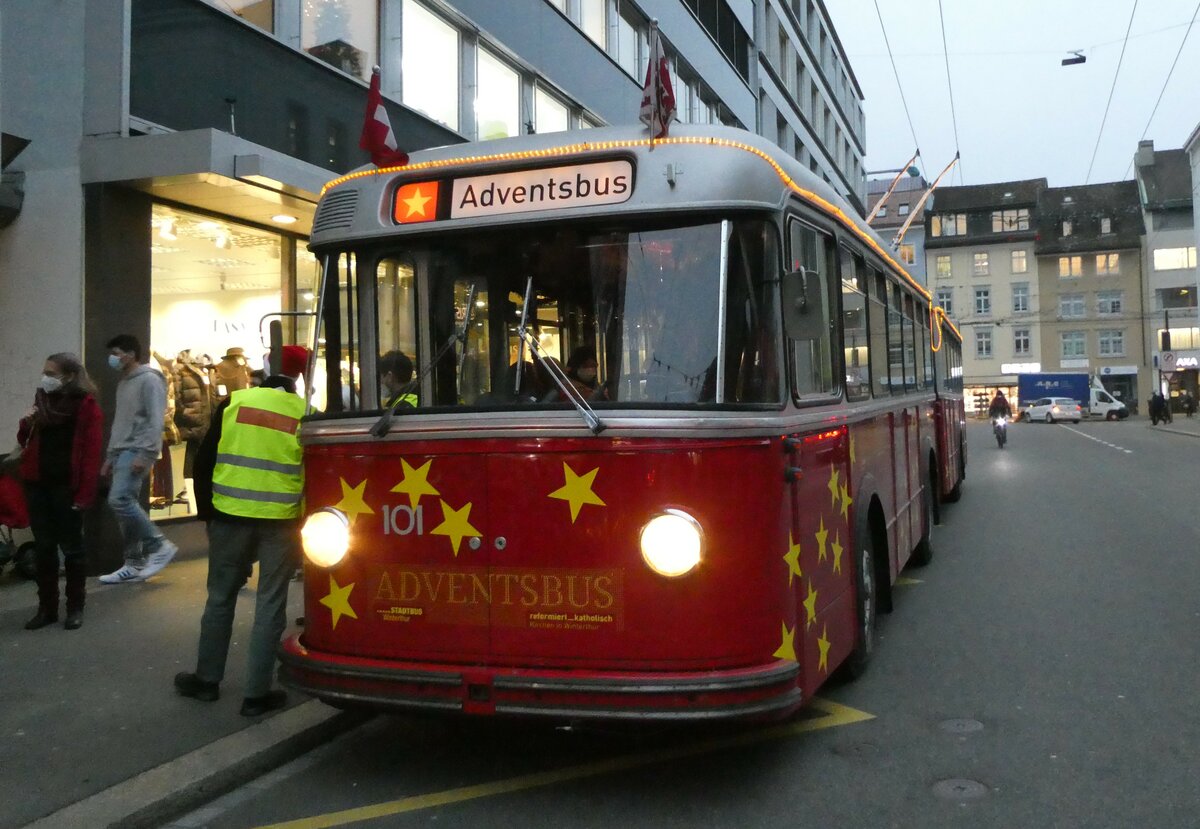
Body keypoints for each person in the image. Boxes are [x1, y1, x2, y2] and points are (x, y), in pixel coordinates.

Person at [174, 374, 305, 717]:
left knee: (220, 598)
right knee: (270, 605)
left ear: (262, 387)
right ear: (291, 390)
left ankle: (206, 682)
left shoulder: (235, 401)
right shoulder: (305, 411)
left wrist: (207, 516)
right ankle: (256, 695)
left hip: (229, 516)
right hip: (280, 520)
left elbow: (204, 461)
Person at [15, 353, 103, 630]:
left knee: (72, 549)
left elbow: (90, 453)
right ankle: (47, 608)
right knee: (44, 548)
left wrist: (84, 495)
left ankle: (75, 607)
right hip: (37, 482)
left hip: (67, 486)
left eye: (51, 373)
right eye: (45, 372)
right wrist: (25, 423)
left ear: (69, 376)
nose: (45, 378)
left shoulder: (86, 406)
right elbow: (25, 440)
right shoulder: (42, 399)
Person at [99, 334, 178, 584]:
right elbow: (121, 422)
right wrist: (110, 456)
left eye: (116, 352)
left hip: (136, 451)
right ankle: (133, 562)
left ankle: (158, 545)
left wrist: (146, 453)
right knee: (126, 506)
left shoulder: (149, 381)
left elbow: (156, 419)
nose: (113, 358)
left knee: (120, 500)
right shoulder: (125, 382)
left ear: (131, 354)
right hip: (123, 451)